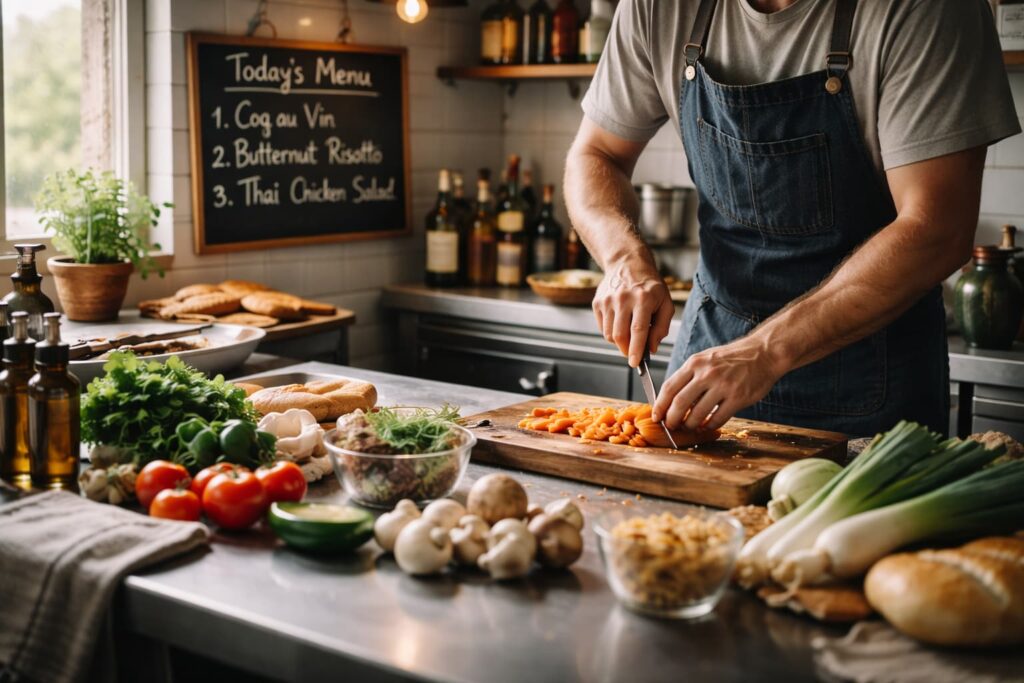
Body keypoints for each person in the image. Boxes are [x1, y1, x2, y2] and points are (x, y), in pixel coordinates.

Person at [564, 0, 1020, 436]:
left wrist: (763, 352)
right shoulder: (656, 7)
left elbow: (938, 229)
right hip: (708, 360)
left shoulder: (929, 9)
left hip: (870, 383)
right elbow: (596, 153)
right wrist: (623, 261)